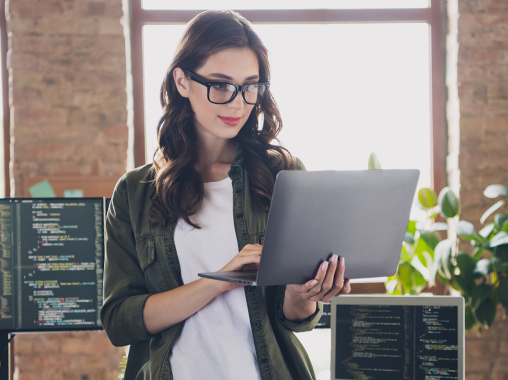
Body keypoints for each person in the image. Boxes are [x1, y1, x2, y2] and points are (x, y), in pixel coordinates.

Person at [101, 10, 351, 380]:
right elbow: (120, 321)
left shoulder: (283, 174)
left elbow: (295, 320)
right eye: (220, 85)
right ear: (182, 81)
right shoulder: (135, 192)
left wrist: (303, 295)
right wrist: (221, 278)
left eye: (251, 86)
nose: (238, 103)